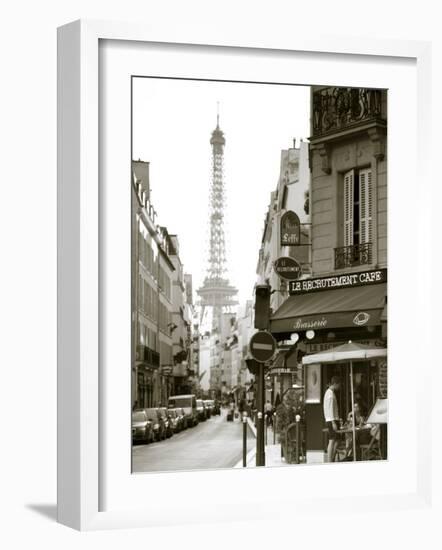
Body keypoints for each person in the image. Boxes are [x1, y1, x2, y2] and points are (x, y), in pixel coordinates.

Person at [323, 376, 341, 462]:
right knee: (332, 440)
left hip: (332, 419)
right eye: (339, 385)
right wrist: (333, 422)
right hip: (331, 420)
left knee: (337, 439)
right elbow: (329, 409)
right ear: (335, 384)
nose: (339, 387)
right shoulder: (329, 393)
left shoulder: (330, 392)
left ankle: (332, 458)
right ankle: (330, 460)